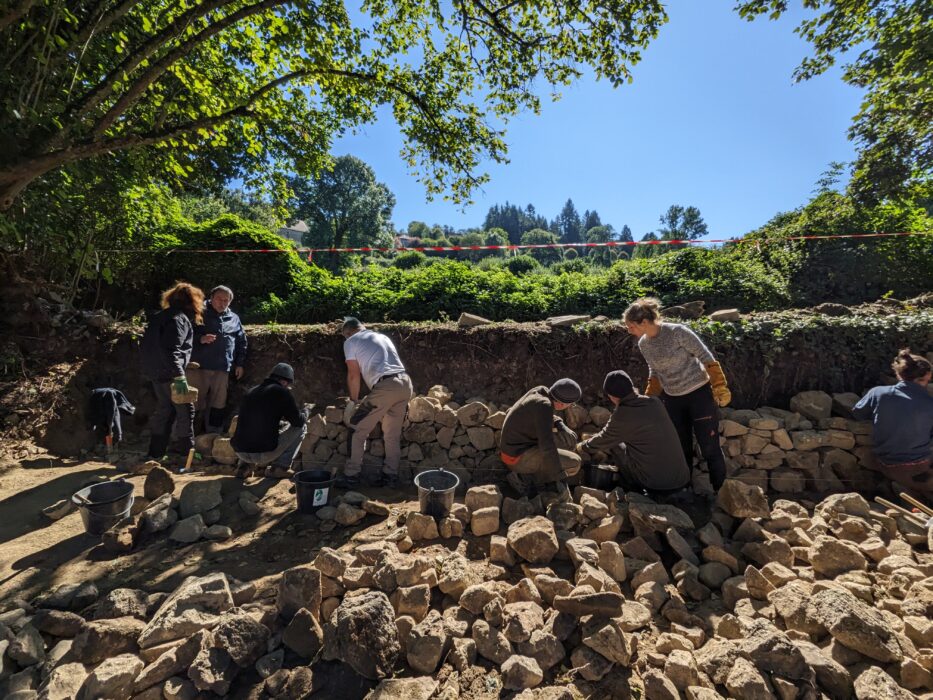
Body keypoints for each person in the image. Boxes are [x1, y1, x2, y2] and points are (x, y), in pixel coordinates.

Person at [623, 297, 731, 492]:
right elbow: (654, 372)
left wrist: (719, 385)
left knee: (709, 446)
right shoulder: (644, 344)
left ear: (644, 322)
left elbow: (706, 357)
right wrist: (650, 397)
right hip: (672, 398)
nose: (628, 330)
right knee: (681, 449)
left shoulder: (677, 332)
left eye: (631, 326)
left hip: (699, 394)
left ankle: (721, 491)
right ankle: (684, 490)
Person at [576, 370, 691, 497]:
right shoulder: (655, 402)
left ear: (612, 396)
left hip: (655, 486)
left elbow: (604, 439)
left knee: (615, 445)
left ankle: (631, 489)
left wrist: (581, 446)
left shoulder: (622, 415)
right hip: (682, 479)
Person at [335, 317, 414, 489]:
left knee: (357, 428)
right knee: (391, 435)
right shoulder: (382, 337)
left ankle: (351, 476)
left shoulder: (351, 341)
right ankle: (390, 476)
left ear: (348, 333)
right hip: (405, 383)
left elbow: (353, 374)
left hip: (385, 387)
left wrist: (353, 401)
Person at [852, 349, 933, 498]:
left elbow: (858, 413)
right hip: (920, 467)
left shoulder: (878, 393)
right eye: (928, 380)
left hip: (885, 465)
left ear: (899, 374)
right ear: (923, 378)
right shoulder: (929, 403)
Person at [140, 282, 204, 459]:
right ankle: (187, 455)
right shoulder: (179, 320)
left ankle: (155, 453)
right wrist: (180, 375)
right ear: (193, 301)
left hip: (156, 373)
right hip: (170, 374)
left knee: (164, 410)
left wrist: (184, 363)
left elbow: (157, 347)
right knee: (185, 410)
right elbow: (171, 350)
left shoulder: (160, 317)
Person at [499, 379, 583, 496]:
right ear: (561, 404)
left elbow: (544, 417)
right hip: (515, 458)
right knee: (575, 463)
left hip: (520, 446)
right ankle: (525, 479)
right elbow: (547, 447)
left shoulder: (540, 391)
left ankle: (537, 477)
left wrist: (560, 424)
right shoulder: (545, 406)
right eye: (570, 404)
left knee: (569, 440)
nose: (570, 407)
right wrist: (559, 476)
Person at [188, 285, 248, 434]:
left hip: (222, 368)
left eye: (226, 300)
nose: (222, 303)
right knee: (193, 403)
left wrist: (239, 363)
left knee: (218, 404)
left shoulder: (234, 318)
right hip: (198, 367)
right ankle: (186, 438)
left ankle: (212, 437)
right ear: (211, 298)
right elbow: (182, 336)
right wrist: (200, 339)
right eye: (219, 299)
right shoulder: (197, 313)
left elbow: (242, 341)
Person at [231, 363, 307, 477]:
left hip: (239, 451)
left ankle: (243, 467)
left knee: (249, 425)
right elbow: (298, 421)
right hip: (262, 454)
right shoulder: (282, 393)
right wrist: (306, 412)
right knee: (301, 428)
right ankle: (280, 467)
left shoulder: (251, 391)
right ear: (284, 382)